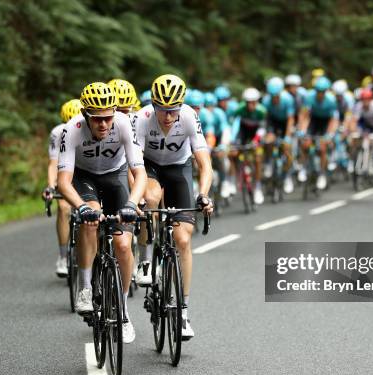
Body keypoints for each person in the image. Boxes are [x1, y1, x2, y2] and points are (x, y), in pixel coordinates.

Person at [57, 82, 147, 344]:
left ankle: (124, 311)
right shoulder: (71, 130)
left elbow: (139, 173)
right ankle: (85, 287)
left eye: (108, 117)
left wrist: (132, 203)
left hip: (115, 177)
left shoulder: (122, 123)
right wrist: (82, 207)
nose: (104, 124)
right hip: (84, 179)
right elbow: (64, 181)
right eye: (97, 120)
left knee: (122, 244)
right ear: (86, 115)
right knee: (91, 219)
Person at [133, 74, 214, 341]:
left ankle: (183, 312)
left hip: (179, 169)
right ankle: (145, 261)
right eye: (162, 110)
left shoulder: (189, 117)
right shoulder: (142, 119)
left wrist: (203, 195)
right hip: (150, 167)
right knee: (153, 199)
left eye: (173, 110)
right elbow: (132, 164)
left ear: (180, 107)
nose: (167, 116)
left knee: (182, 240)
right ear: (153, 104)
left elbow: (204, 163)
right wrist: (138, 196)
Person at [43, 99, 83, 278]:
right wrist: (51, 187)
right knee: (63, 207)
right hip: (65, 173)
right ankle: (63, 255)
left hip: (83, 173)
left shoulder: (89, 129)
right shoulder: (57, 133)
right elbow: (53, 163)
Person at [297, 76, 339, 188]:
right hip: (314, 120)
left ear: (326, 92)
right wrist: (302, 130)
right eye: (318, 91)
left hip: (325, 122)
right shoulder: (309, 97)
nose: (320, 94)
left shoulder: (331, 100)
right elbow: (305, 115)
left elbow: (333, 120)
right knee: (305, 143)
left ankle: (321, 173)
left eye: (322, 92)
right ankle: (303, 167)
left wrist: (329, 134)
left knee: (323, 147)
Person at [231, 87, 267, 204]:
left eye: (253, 102)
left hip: (256, 134)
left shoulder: (261, 111)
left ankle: (258, 186)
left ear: (257, 102)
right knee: (233, 152)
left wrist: (256, 140)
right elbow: (234, 125)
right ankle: (234, 179)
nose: (251, 105)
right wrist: (234, 141)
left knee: (257, 159)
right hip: (243, 133)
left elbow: (262, 128)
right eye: (248, 102)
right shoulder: (240, 109)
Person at [262, 77, 296, 194]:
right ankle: (269, 162)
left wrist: (287, 136)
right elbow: (266, 119)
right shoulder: (266, 100)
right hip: (273, 122)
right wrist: (267, 133)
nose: (274, 99)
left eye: (276, 96)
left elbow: (291, 119)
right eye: (272, 96)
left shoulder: (288, 99)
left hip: (285, 122)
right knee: (268, 141)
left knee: (287, 148)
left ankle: (287, 177)